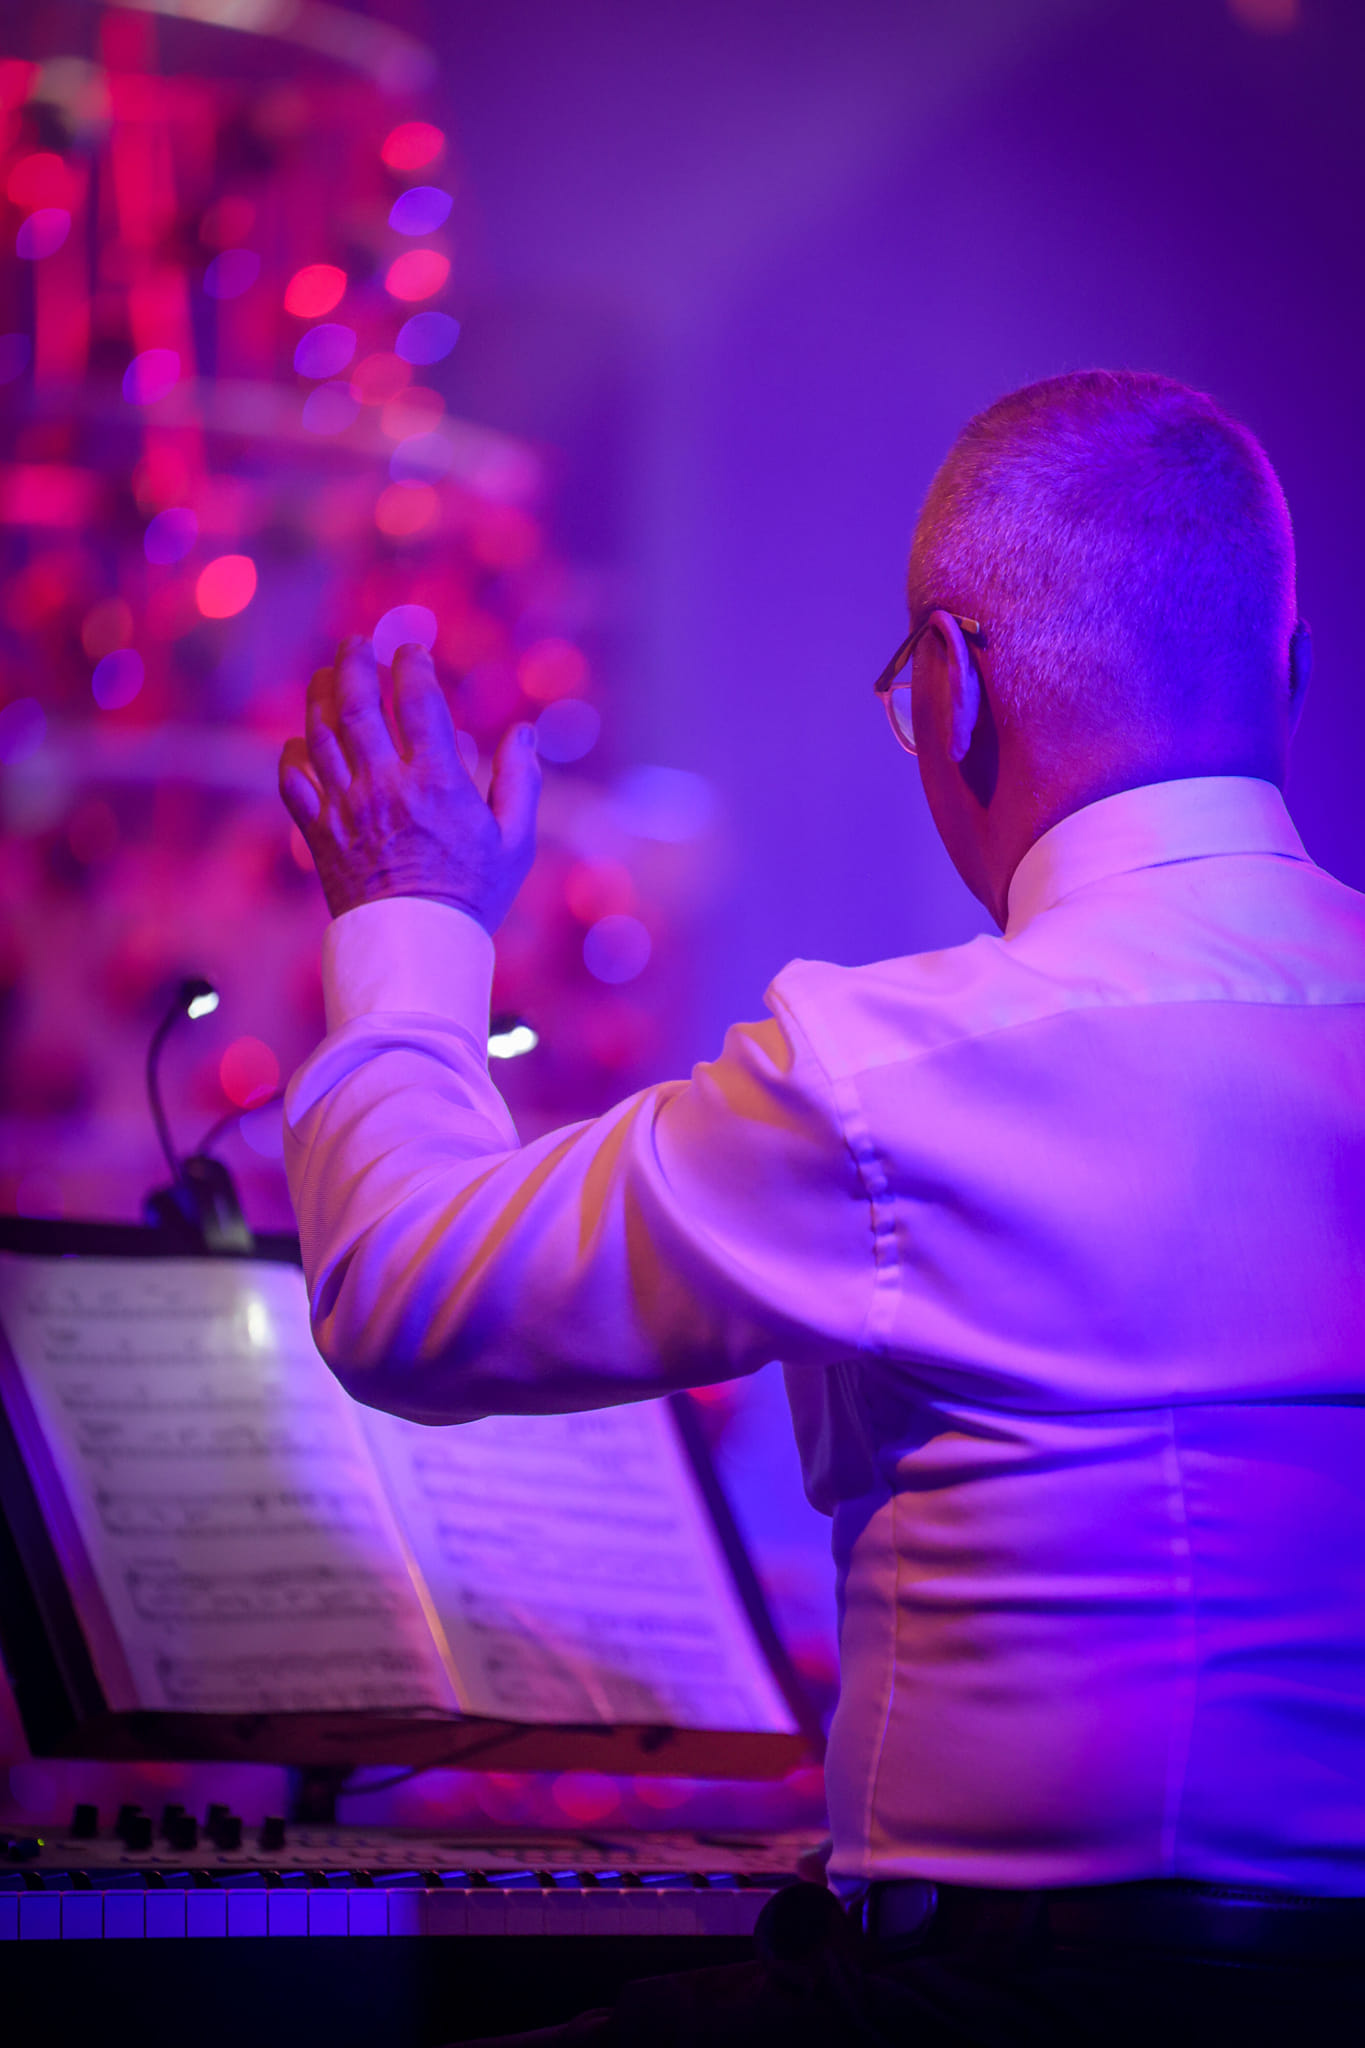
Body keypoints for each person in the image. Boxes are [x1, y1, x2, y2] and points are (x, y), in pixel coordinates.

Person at [278, 370, 1365, 2044]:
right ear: (1288, 671)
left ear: (949, 683)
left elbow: (403, 1294)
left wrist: (410, 914)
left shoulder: (896, 1073)